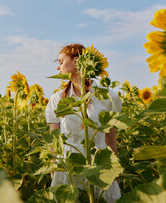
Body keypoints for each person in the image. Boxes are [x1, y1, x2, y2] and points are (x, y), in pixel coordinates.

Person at [45, 43, 121, 203]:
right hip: (69, 171)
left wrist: (115, 174)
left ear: (76, 61)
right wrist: (54, 171)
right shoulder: (57, 99)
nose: (58, 68)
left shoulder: (107, 97)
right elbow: (55, 141)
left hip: (99, 168)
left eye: (60, 62)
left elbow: (110, 141)